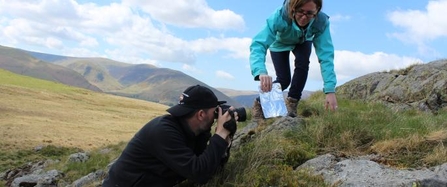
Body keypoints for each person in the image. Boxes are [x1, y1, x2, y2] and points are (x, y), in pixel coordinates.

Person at [102, 85, 235, 187]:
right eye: (215, 111)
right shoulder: (164, 132)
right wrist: (220, 134)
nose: (216, 117)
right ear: (201, 115)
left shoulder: (194, 131)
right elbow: (199, 173)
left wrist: (226, 139)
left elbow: (210, 169)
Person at [249, 0, 338, 118]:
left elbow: (326, 55)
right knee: (284, 80)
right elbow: (259, 44)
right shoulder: (279, 16)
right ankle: (260, 103)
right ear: (293, 8)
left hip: (303, 40)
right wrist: (260, 71)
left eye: (310, 13)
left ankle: (292, 103)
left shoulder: (321, 22)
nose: (304, 17)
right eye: (300, 12)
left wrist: (330, 90)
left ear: (317, 11)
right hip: (280, 43)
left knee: (303, 63)